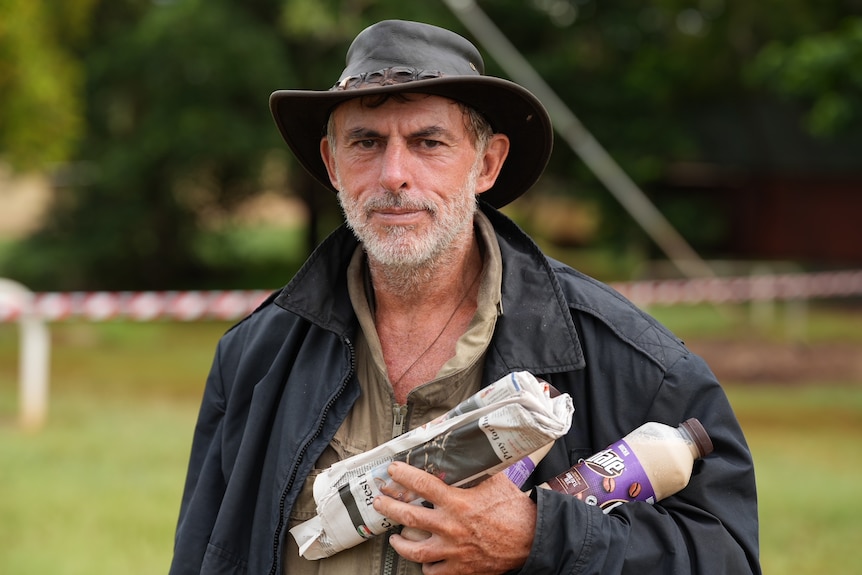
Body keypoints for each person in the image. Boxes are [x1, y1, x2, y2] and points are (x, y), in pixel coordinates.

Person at [169, 19, 761, 575]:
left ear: (487, 163)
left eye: (428, 142)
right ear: (332, 163)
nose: (394, 173)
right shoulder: (254, 358)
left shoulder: (636, 365)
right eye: (366, 143)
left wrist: (540, 536)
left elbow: (728, 556)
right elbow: (206, 554)